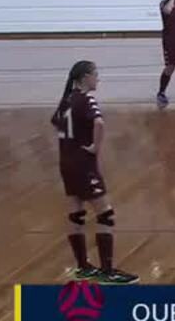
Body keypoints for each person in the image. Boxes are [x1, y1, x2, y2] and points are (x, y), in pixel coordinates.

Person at [50, 61, 139, 285]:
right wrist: (94, 147)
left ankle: (83, 267)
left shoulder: (66, 100)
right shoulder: (85, 99)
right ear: (84, 78)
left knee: (76, 214)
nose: (98, 79)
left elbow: (56, 122)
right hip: (83, 164)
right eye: (95, 74)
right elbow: (99, 123)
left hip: (66, 163)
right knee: (105, 214)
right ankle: (107, 271)